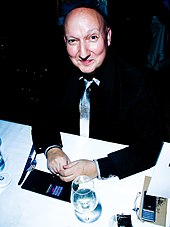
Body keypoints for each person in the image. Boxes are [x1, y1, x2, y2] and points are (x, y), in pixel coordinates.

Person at [32, 0, 164, 182]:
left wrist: (97, 168)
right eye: (73, 41)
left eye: (92, 38)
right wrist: (52, 148)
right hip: (70, 155)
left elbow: (149, 148)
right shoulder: (57, 72)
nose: (83, 53)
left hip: (117, 174)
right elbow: (42, 115)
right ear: (65, 41)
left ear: (108, 36)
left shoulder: (136, 82)